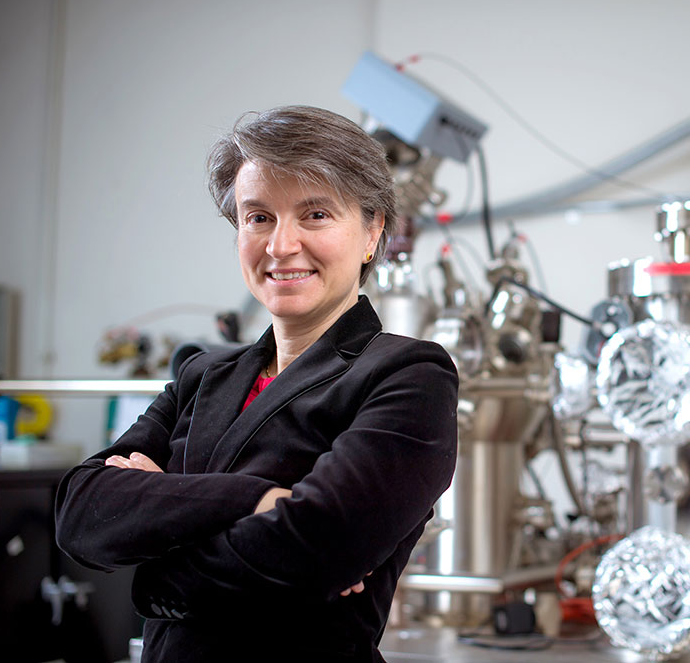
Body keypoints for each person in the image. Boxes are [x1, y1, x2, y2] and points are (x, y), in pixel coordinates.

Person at [55, 106, 459, 662]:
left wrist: (153, 576)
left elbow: (318, 546)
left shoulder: (407, 376)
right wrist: (257, 498)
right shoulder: (203, 375)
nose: (280, 245)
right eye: (259, 217)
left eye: (315, 215)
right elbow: (80, 514)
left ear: (372, 231)